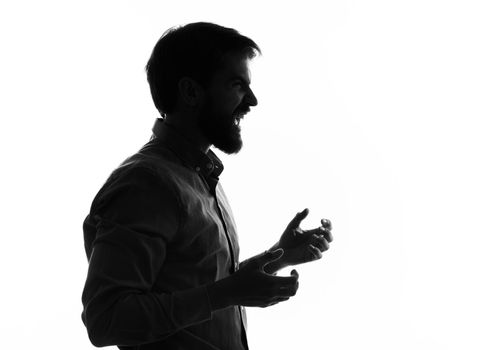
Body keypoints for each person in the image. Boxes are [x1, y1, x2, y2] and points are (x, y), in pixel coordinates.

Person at [81, 22, 333, 350]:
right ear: (190, 92)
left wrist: (278, 256)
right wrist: (228, 293)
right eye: (237, 85)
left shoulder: (200, 177)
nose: (252, 100)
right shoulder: (146, 183)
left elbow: (202, 286)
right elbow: (107, 320)